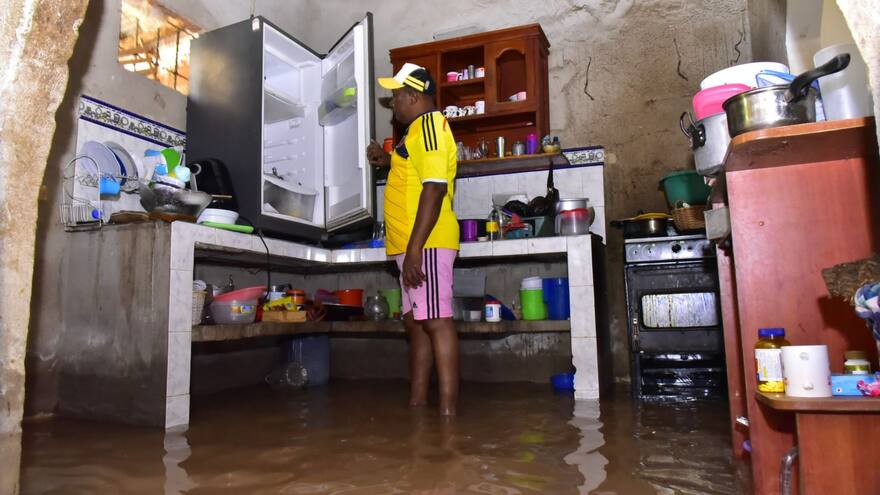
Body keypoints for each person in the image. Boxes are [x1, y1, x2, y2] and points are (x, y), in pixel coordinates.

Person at [366, 63, 460, 415]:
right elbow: (416, 174)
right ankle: (418, 403)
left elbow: (434, 188)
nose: (394, 106)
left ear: (413, 96)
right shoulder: (417, 133)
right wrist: (388, 161)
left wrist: (417, 248)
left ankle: (448, 415)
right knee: (416, 322)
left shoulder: (432, 127)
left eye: (395, 99)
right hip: (411, 244)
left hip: (427, 242)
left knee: (435, 320)